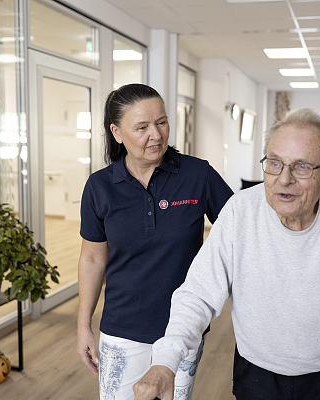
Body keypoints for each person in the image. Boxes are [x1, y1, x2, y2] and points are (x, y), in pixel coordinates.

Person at [133, 108, 320, 400]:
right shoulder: (239, 212)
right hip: (256, 374)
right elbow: (198, 295)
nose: (284, 179)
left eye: (302, 166)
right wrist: (164, 362)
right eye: (274, 163)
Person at [76, 83, 234, 400]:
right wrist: (83, 326)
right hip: (122, 326)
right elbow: (93, 259)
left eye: (161, 122)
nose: (157, 135)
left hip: (183, 327)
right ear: (117, 132)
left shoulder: (197, 174)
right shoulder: (99, 187)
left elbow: (238, 232)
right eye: (142, 127)